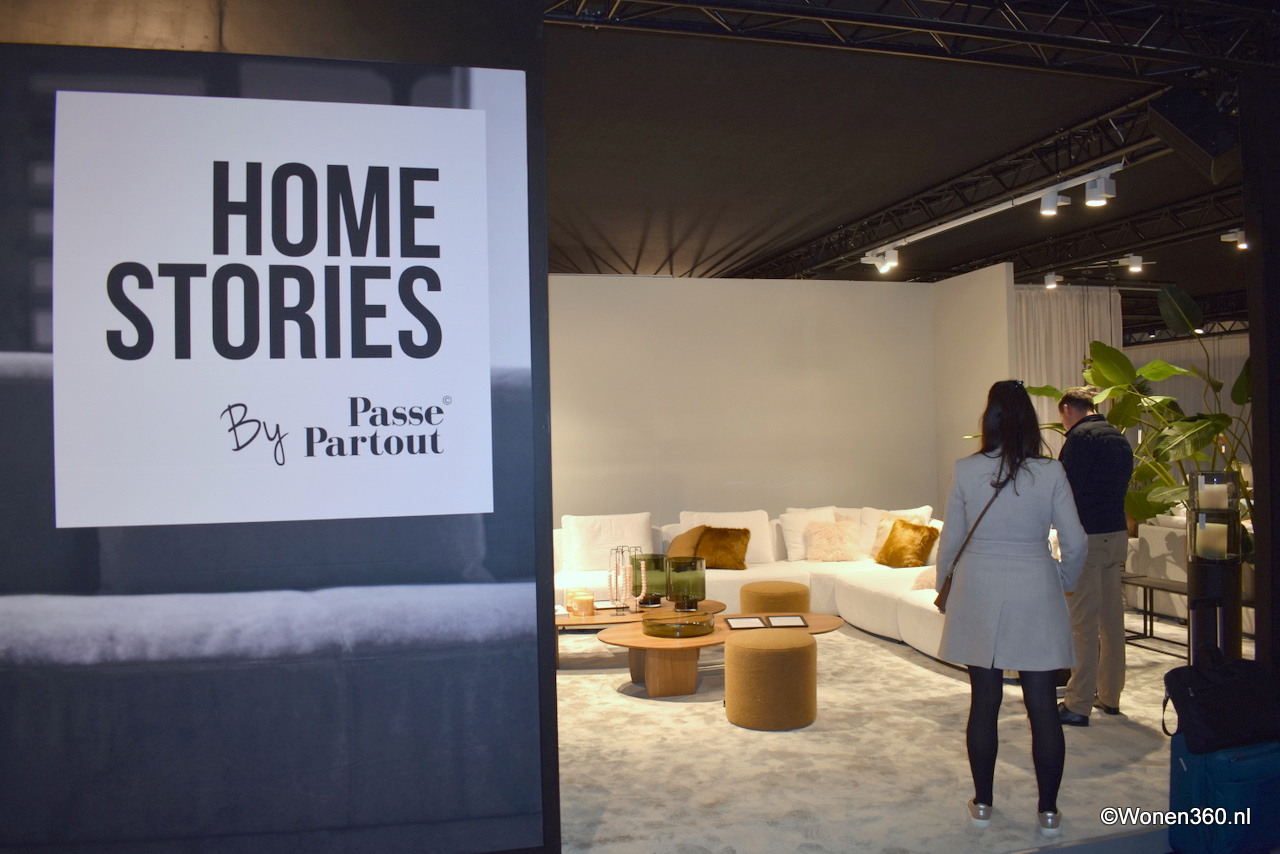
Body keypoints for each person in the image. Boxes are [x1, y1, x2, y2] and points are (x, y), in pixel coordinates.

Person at [936, 380, 1087, 836]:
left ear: (990, 419)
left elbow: (951, 540)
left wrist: (945, 590)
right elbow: (1076, 541)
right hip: (1035, 586)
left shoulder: (965, 470)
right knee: (1042, 705)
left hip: (979, 588)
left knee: (984, 701)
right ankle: (1048, 812)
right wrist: (1064, 581)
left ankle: (983, 803)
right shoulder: (1050, 472)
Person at [1056, 387, 1134, 727]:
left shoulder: (1080, 439)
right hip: (1116, 533)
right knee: (1111, 620)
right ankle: (1110, 695)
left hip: (1088, 536)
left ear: (1066, 409)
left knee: (1083, 623)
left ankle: (1078, 703)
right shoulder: (1118, 437)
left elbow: (1065, 490)